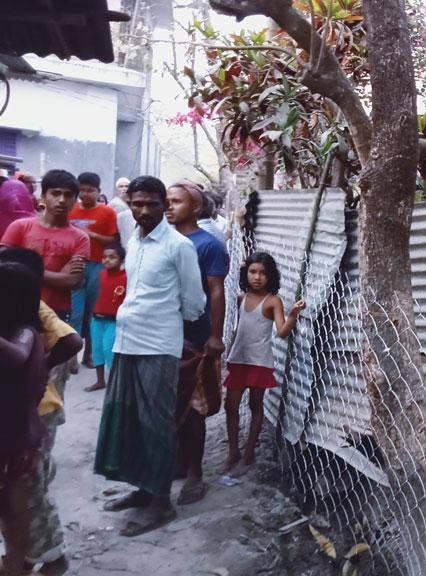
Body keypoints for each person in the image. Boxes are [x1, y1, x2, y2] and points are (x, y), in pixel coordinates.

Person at [93, 176, 206, 538]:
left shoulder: (178, 246)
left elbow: (194, 304)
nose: (143, 210)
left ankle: (161, 502)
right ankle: (143, 490)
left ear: (164, 205)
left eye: (151, 204)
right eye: (136, 204)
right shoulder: (134, 241)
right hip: (127, 342)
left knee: (156, 422)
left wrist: (163, 322)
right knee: (130, 420)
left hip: (158, 346)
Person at [0, 248, 82, 576]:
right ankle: (21, 557)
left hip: (29, 417)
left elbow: (72, 342)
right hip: (18, 419)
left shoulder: (27, 322)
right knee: (13, 501)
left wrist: (41, 370)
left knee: (31, 494)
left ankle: (47, 556)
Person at [165, 180, 227, 505]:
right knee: (170, 402)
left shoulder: (208, 245)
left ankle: (195, 472)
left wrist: (215, 335)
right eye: (167, 201)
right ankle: (176, 462)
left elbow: (216, 291)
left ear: (195, 207)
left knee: (193, 407)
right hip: (163, 334)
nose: (169, 206)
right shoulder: (161, 240)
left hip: (195, 335)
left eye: (176, 201)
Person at [224, 252, 304, 476]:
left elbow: (281, 331)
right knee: (230, 405)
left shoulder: (272, 301)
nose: (257, 277)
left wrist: (293, 315)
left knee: (255, 404)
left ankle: (249, 451)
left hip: (259, 361)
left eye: (262, 273)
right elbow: (238, 329)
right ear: (245, 273)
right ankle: (233, 451)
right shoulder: (242, 297)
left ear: (270, 276)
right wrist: (229, 352)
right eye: (253, 272)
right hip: (239, 358)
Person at [0, 262, 48, 576]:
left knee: (15, 514)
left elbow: (17, 357)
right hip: (16, 434)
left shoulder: (25, 334)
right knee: (11, 515)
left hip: (13, 438)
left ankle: (17, 567)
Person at [1, 169, 89, 322]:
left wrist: (23, 269)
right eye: (55, 193)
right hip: (16, 306)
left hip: (57, 311)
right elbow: (4, 267)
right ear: (43, 196)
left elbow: (72, 281)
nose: (61, 200)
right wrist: (56, 276)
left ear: (75, 200)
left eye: (68, 195)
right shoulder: (20, 227)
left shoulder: (80, 238)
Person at [69, 172, 118, 372]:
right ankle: (70, 357)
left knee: (94, 313)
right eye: (82, 190)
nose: (86, 194)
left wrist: (92, 235)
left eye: (91, 190)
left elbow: (114, 241)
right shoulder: (70, 209)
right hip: (75, 264)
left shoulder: (108, 213)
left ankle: (89, 355)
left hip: (98, 266)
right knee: (74, 312)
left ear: (99, 191)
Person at [86, 244, 127, 393]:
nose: (107, 260)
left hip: (113, 320)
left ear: (122, 260)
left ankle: (115, 382)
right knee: (97, 350)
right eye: (104, 257)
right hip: (97, 318)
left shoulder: (126, 277)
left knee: (109, 349)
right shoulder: (101, 274)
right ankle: (100, 381)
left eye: (112, 257)